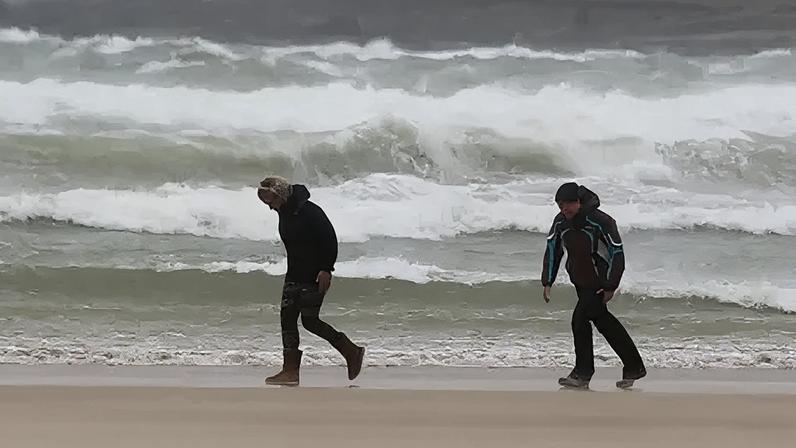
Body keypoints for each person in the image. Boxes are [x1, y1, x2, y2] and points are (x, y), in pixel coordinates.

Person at [257, 176, 364, 386]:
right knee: (288, 319)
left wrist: (326, 269)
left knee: (310, 320)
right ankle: (290, 371)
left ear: (281, 194)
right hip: (294, 275)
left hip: (313, 276)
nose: (270, 206)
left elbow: (329, 239)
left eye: (271, 200)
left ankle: (350, 351)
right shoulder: (285, 212)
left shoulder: (310, 212)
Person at [541, 182, 646, 389]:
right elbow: (553, 248)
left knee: (579, 320)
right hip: (580, 281)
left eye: (568, 204)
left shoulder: (601, 221)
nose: (564, 209)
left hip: (599, 282)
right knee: (604, 322)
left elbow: (617, 252)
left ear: (578, 201)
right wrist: (548, 281)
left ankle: (582, 374)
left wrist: (610, 285)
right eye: (560, 206)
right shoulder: (561, 222)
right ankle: (634, 366)